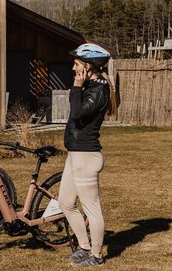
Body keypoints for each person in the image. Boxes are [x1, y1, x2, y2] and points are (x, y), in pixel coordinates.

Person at [58, 43, 117, 267]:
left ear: (89, 66)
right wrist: (79, 86)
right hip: (75, 154)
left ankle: (96, 255)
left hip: (86, 155)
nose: (73, 69)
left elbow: (78, 113)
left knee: (91, 208)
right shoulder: (90, 86)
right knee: (65, 202)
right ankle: (84, 247)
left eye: (76, 64)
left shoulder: (98, 90)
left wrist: (76, 86)